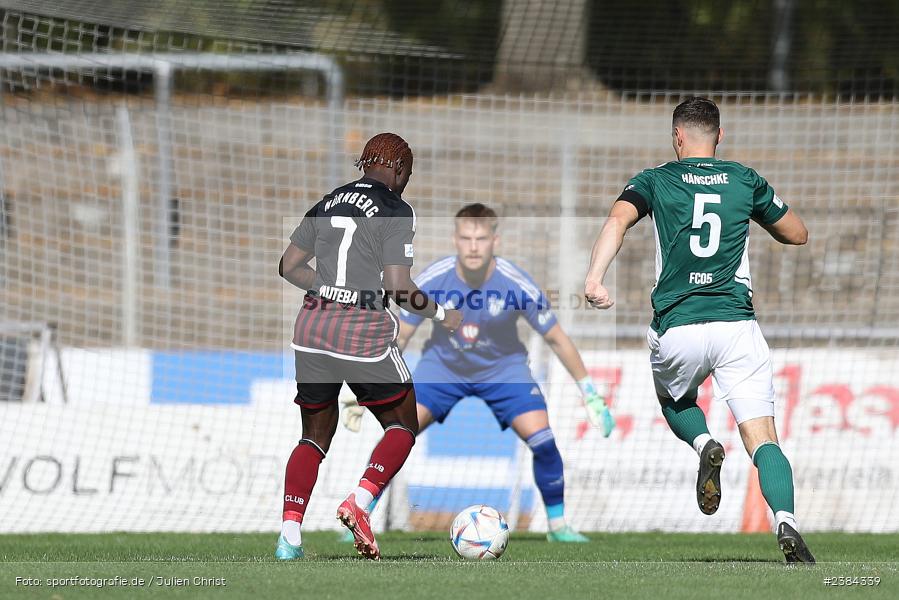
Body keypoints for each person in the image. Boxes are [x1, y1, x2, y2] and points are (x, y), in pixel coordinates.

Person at [584, 97, 815, 563]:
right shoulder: (744, 179)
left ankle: (705, 442)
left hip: (679, 327)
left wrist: (594, 278)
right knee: (763, 438)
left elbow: (618, 220)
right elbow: (797, 233)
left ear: (677, 137)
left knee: (674, 401)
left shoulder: (654, 179)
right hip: (737, 327)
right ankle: (786, 521)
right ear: (719, 137)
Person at [358, 203, 615, 542]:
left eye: (481, 238)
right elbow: (401, 335)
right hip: (442, 368)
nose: (473, 246)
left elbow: (556, 338)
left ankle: (558, 527)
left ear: (496, 240)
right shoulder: (435, 278)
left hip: (503, 369)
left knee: (544, 441)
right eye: (466, 238)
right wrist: (371, 387)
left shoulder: (515, 282)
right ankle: (361, 513)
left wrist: (590, 393)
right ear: (455, 240)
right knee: (398, 433)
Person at [275, 132, 462, 561]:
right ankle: (359, 502)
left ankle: (289, 538)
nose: (406, 183)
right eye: (408, 175)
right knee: (402, 425)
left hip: (311, 329)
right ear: (398, 169)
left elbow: (288, 265)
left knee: (313, 437)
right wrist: (443, 316)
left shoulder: (328, 201)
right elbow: (399, 288)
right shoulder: (396, 208)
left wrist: (330, 288)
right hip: (360, 332)